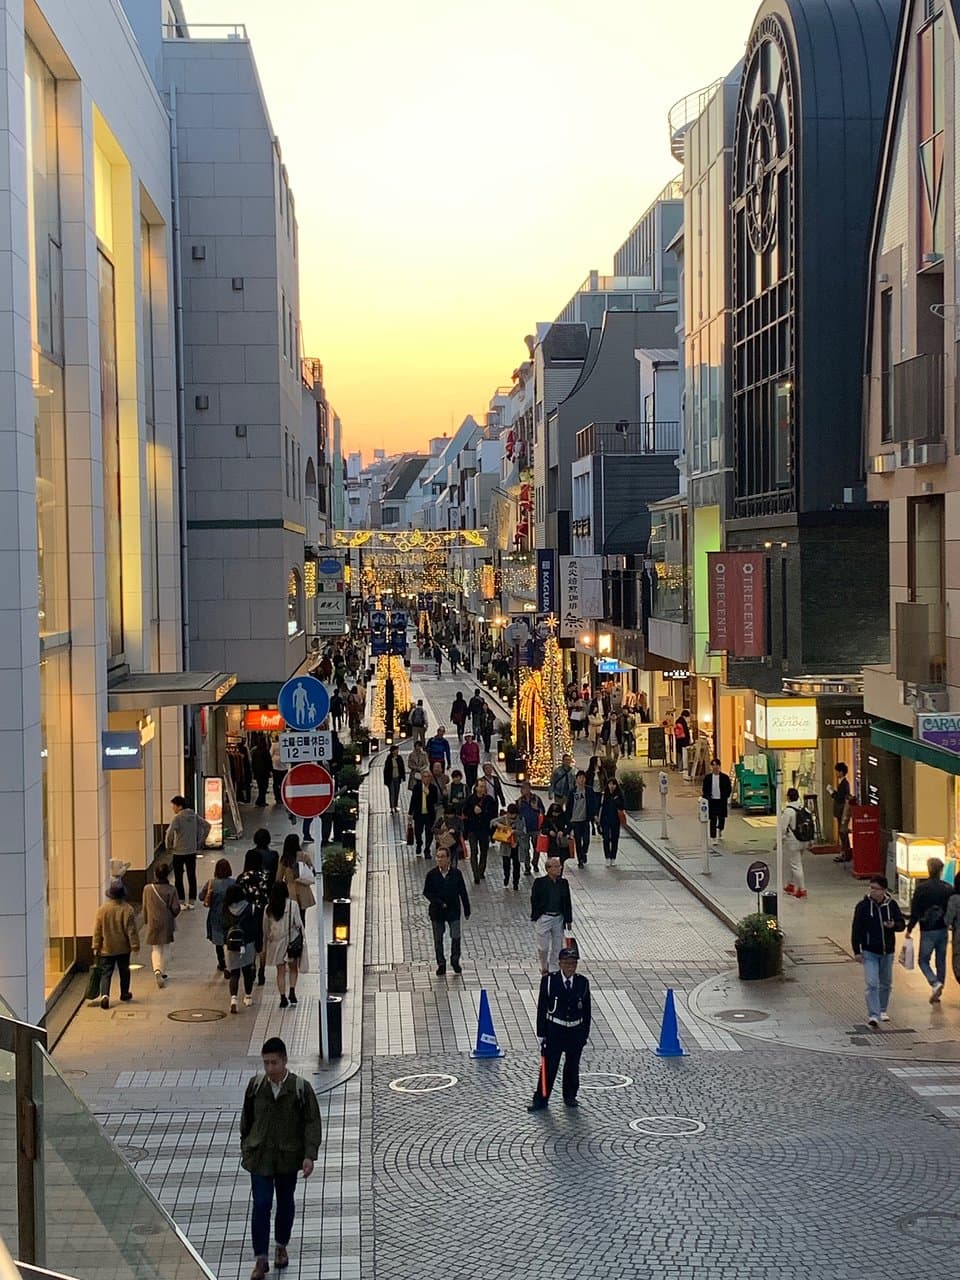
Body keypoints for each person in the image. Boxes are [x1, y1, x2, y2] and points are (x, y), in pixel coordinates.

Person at [240, 1036, 322, 1280]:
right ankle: (260, 1259)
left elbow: (312, 1123)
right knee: (261, 1204)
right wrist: (247, 1145)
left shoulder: (300, 1088)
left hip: (287, 1157)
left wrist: (309, 1155)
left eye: (274, 1063)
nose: (269, 1069)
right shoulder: (256, 1086)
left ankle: (281, 1246)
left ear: (284, 1061)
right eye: (265, 1063)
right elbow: (247, 1119)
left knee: (285, 1203)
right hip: (260, 1157)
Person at [528, 947, 591, 1112]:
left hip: (574, 1031)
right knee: (549, 1066)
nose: (571, 967)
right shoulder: (549, 982)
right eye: (567, 963)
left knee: (572, 1066)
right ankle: (541, 1098)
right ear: (560, 964)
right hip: (555, 1030)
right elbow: (542, 1008)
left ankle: (570, 1096)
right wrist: (541, 1033)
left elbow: (586, 1010)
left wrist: (584, 1034)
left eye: (574, 963)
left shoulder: (582, 982)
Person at [851, 875, 906, 1028]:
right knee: (872, 983)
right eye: (871, 888)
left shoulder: (892, 905)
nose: (872, 891)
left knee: (886, 982)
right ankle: (873, 1014)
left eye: (875, 889)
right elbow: (856, 929)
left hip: (887, 951)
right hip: (869, 951)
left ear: (883, 890)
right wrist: (857, 950)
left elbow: (901, 924)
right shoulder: (863, 906)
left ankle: (882, 1009)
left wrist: (893, 925)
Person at [906, 856, 955, 1002]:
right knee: (941, 960)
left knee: (923, 960)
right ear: (941, 870)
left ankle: (934, 982)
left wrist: (909, 928)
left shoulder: (922, 889)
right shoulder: (947, 888)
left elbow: (915, 910)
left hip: (927, 929)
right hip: (943, 929)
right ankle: (938, 990)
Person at [92, 878, 140, 1009]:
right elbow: (132, 931)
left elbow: (97, 930)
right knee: (124, 971)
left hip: (107, 948)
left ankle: (105, 995)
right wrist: (135, 945)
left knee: (106, 973)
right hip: (123, 948)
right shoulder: (127, 909)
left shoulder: (102, 910)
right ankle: (124, 993)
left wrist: (96, 946)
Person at [423, 847, 471, 975]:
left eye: (442, 857)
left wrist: (467, 909)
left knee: (456, 936)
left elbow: (463, 891)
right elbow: (427, 892)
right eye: (438, 857)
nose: (439, 859)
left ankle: (455, 960)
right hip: (437, 912)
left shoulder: (456, 874)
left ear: (448, 859)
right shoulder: (431, 875)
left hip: (453, 910)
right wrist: (438, 902)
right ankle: (441, 963)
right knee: (438, 939)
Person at [263, 882, 305, 1010]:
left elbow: (265, 928)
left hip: (276, 944)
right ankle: (292, 991)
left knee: (280, 972)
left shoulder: (268, 908)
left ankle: (282, 997)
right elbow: (298, 923)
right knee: (293, 969)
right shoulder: (293, 905)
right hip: (291, 942)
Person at [164, 794, 211, 909]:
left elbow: (169, 833)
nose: (173, 808)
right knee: (191, 876)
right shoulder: (193, 815)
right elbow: (207, 825)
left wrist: (168, 846)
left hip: (178, 852)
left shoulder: (177, 818)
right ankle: (192, 901)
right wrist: (201, 841)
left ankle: (181, 901)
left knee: (178, 877)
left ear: (179, 806)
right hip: (191, 851)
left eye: (174, 806)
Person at [531, 856, 573, 975]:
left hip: (558, 918)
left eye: (559, 866)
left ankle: (554, 968)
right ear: (548, 869)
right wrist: (537, 914)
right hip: (544, 916)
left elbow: (567, 902)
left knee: (558, 945)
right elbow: (534, 899)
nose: (559, 869)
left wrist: (568, 919)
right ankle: (544, 965)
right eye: (556, 866)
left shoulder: (563, 883)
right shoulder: (539, 883)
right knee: (543, 947)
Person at [142, 861, 181, 988]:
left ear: (155, 874)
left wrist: (147, 919)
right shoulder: (171, 889)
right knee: (166, 947)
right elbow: (176, 908)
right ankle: (163, 971)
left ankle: (157, 970)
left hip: (153, 922)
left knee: (155, 948)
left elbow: (144, 907)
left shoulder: (147, 889)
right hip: (167, 921)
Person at [223, 883, 259, 1013]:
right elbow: (256, 928)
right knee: (247, 971)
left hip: (230, 945)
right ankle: (248, 997)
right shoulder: (250, 908)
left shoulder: (226, 908)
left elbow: (223, 926)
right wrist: (258, 944)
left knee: (234, 973)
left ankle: (233, 999)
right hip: (248, 943)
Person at [201, 858, 235, 974]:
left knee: (218, 941)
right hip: (230, 915)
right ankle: (230, 962)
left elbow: (201, 897)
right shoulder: (233, 883)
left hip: (215, 915)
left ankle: (221, 962)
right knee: (228, 938)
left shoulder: (211, 883)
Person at [462, 778, 497, 884]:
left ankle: (481, 870)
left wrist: (483, 813)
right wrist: (473, 812)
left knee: (484, 851)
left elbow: (493, 814)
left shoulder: (489, 800)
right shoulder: (470, 799)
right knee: (474, 851)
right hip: (473, 829)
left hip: (484, 829)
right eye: (480, 786)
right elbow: (465, 812)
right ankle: (475, 874)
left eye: (484, 787)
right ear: (476, 787)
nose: (482, 789)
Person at [780, 787, 812, 899]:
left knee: (796, 865)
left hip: (793, 841)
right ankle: (791, 884)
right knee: (794, 863)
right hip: (804, 840)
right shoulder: (804, 809)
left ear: (788, 797)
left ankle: (802, 889)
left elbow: (783, 828)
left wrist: (779, 840)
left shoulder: (788, 811)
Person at [278, 835, 316, 923]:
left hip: (290, 890)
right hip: (304, 889)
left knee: (291, 917)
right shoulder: (304, 856)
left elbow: (279, 878)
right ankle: (302, 934)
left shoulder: (285, 859)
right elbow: (311, 870)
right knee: (302, 917)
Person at [408, 769, 441, 857]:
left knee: (429, 833)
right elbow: (413, 800)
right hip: (419, 814)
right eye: (424, 777)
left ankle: (427, 849)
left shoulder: (433, 788)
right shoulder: (417, 787)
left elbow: (435, 800)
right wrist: (410, 813)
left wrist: (428, 794)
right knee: (418, 832)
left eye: (428, 777)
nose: (426, 779)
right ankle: (419, 843)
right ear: (422, 778)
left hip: (429, 815)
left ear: (430, 778)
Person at [517, 780, 546, 876]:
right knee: (525, 848)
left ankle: (535, 863)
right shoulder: (520, 801)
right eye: (522, 789)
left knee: (536, 848)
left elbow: (543, 811)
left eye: (525, 788)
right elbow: (517, 815)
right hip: (525, 829)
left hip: (536, 828)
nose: (523, 790)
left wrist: (536, 809)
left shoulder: (536, 799)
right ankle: (527, 867)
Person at [565, 770, 591, 869]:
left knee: (586, 840)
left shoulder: (589, 791)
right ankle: (580, 859)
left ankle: (584, 853)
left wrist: (594, 816)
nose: (581, 780)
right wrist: (568, 821)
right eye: (580, 778)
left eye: (583, 778)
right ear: (576, 779)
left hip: (585, 819)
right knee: (578, 841)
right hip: (575, 820)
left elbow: (592, 804)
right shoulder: (572, 792)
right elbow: (568, 807)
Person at [827, 761, 852, 863]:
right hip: (840, 811)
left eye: (837, 772)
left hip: (842, 811)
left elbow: (839, 798)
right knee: (842, 832)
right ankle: (845, 853)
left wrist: (831, 792)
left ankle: (846, 853)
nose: (836, 774)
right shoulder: (842, 783)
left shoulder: (844, 784)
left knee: (843, 832)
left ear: (841, 772)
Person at [702, 758, 732, 843]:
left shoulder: (724, 777)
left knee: (721, 818)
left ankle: (720, 829)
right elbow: (705, 789)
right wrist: (707, 797)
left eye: (716, 765)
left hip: (721, 800)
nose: (715, 767)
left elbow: (728, 788)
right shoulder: (708, 778)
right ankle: (713, 837)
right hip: (712, 801)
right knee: (713, 819)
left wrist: (726, 796)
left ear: (719, 766)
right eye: (713, 765)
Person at [494, 803, 522, 890]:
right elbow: (493, 822)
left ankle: (515, 882)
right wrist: (499, 825)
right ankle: (506, 877)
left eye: (513, 814)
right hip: (506, 846)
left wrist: (515, 832)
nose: (512, 816)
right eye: (510, 814)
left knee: (516, 865)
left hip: (516, 846)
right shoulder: (504, 818)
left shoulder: (520, 820)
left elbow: (523, 832)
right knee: (506, 865)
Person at [598, 777, 625, 865]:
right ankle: (607, 856)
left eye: (613, 784)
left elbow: (623, 806)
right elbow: (601, 807)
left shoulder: (619, 795)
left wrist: (616, 801)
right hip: (605, 820)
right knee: (606, 838)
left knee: (614, 839)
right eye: (610, 784)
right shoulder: (604, 795)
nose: (612, 786)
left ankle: (613, 857)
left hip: (615, 820)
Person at [383, 744, 406, 812]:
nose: (397, 751)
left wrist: (403, 777)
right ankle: (391, 807)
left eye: (397, 750)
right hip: (391, 778)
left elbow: (402, 768)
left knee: (397, 792)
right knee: (392, 793)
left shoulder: (399, 758)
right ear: (392, 751)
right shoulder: (389, 759)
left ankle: (396, 805)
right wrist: (386, 780)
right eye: (396, 750)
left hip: (397, 777)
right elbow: (386, 770)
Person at [251, 738, 272, 807]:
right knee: (264, 787)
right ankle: (260, 801)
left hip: (258, 772)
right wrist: (270, 770)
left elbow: (253, 763)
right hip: (264, 773)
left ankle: (261, 801)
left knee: (261, 787)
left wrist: (254, 771)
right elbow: (269, 761)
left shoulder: (255, 752)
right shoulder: (265, 751)